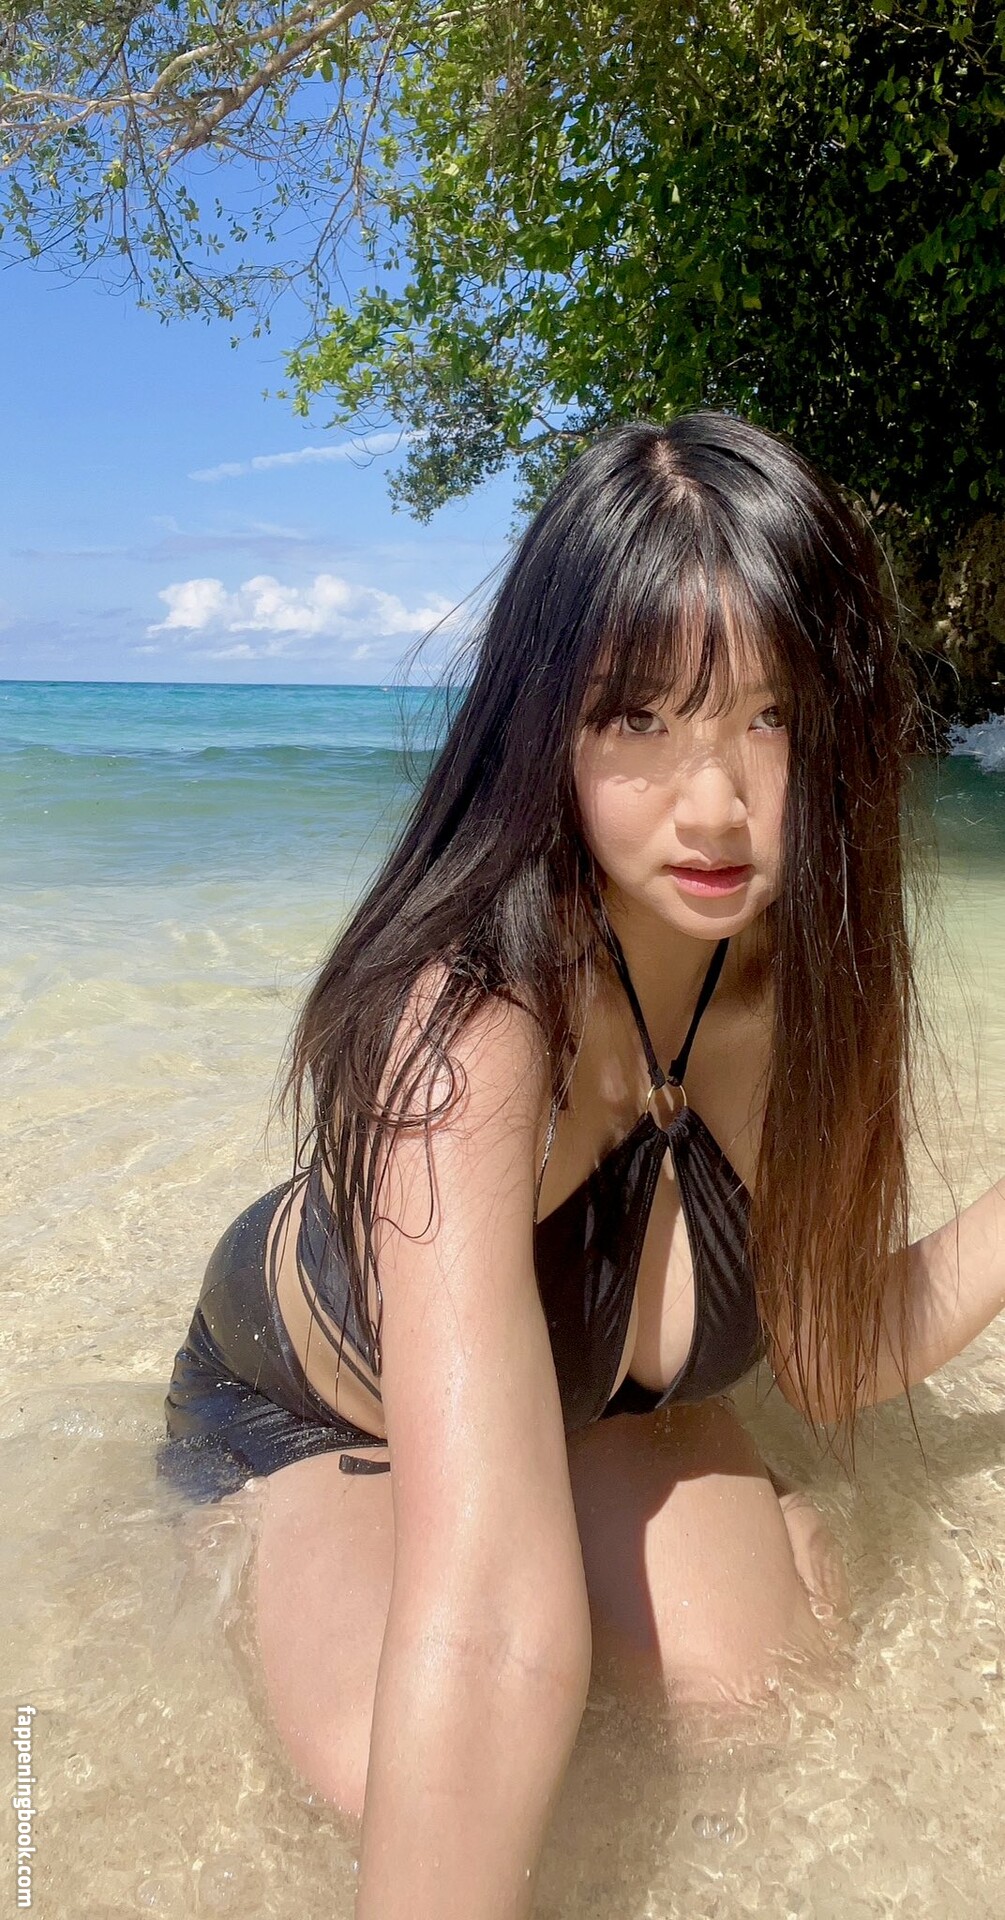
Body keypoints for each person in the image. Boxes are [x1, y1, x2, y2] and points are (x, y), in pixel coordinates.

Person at [160, 412, 1005, 1920]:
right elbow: (485, 1612)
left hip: (588, 1404)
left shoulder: (800, 983)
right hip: (310, 1413)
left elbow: (832, 1350)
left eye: (769, 716)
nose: (713, 803)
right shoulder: (477, 1027)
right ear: (543, 724)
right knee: (397, 1770)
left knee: (760, 1692)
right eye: (639, 718)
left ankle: (631, 1487)